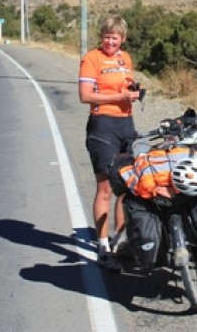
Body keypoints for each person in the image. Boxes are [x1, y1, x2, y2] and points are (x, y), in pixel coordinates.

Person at [78, 15, 141, 272]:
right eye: (106, 37)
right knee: (105, 188)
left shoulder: (125, 58)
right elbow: (85, 96)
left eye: (115, 38)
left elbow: (126, 88)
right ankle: (103, 247)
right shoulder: (92, 59)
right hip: (103, 126)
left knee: (127, 187)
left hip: (126, 124)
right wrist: (119, 96)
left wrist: (133, 93)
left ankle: (120, 241)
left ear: (122, 39)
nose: (110, 42)